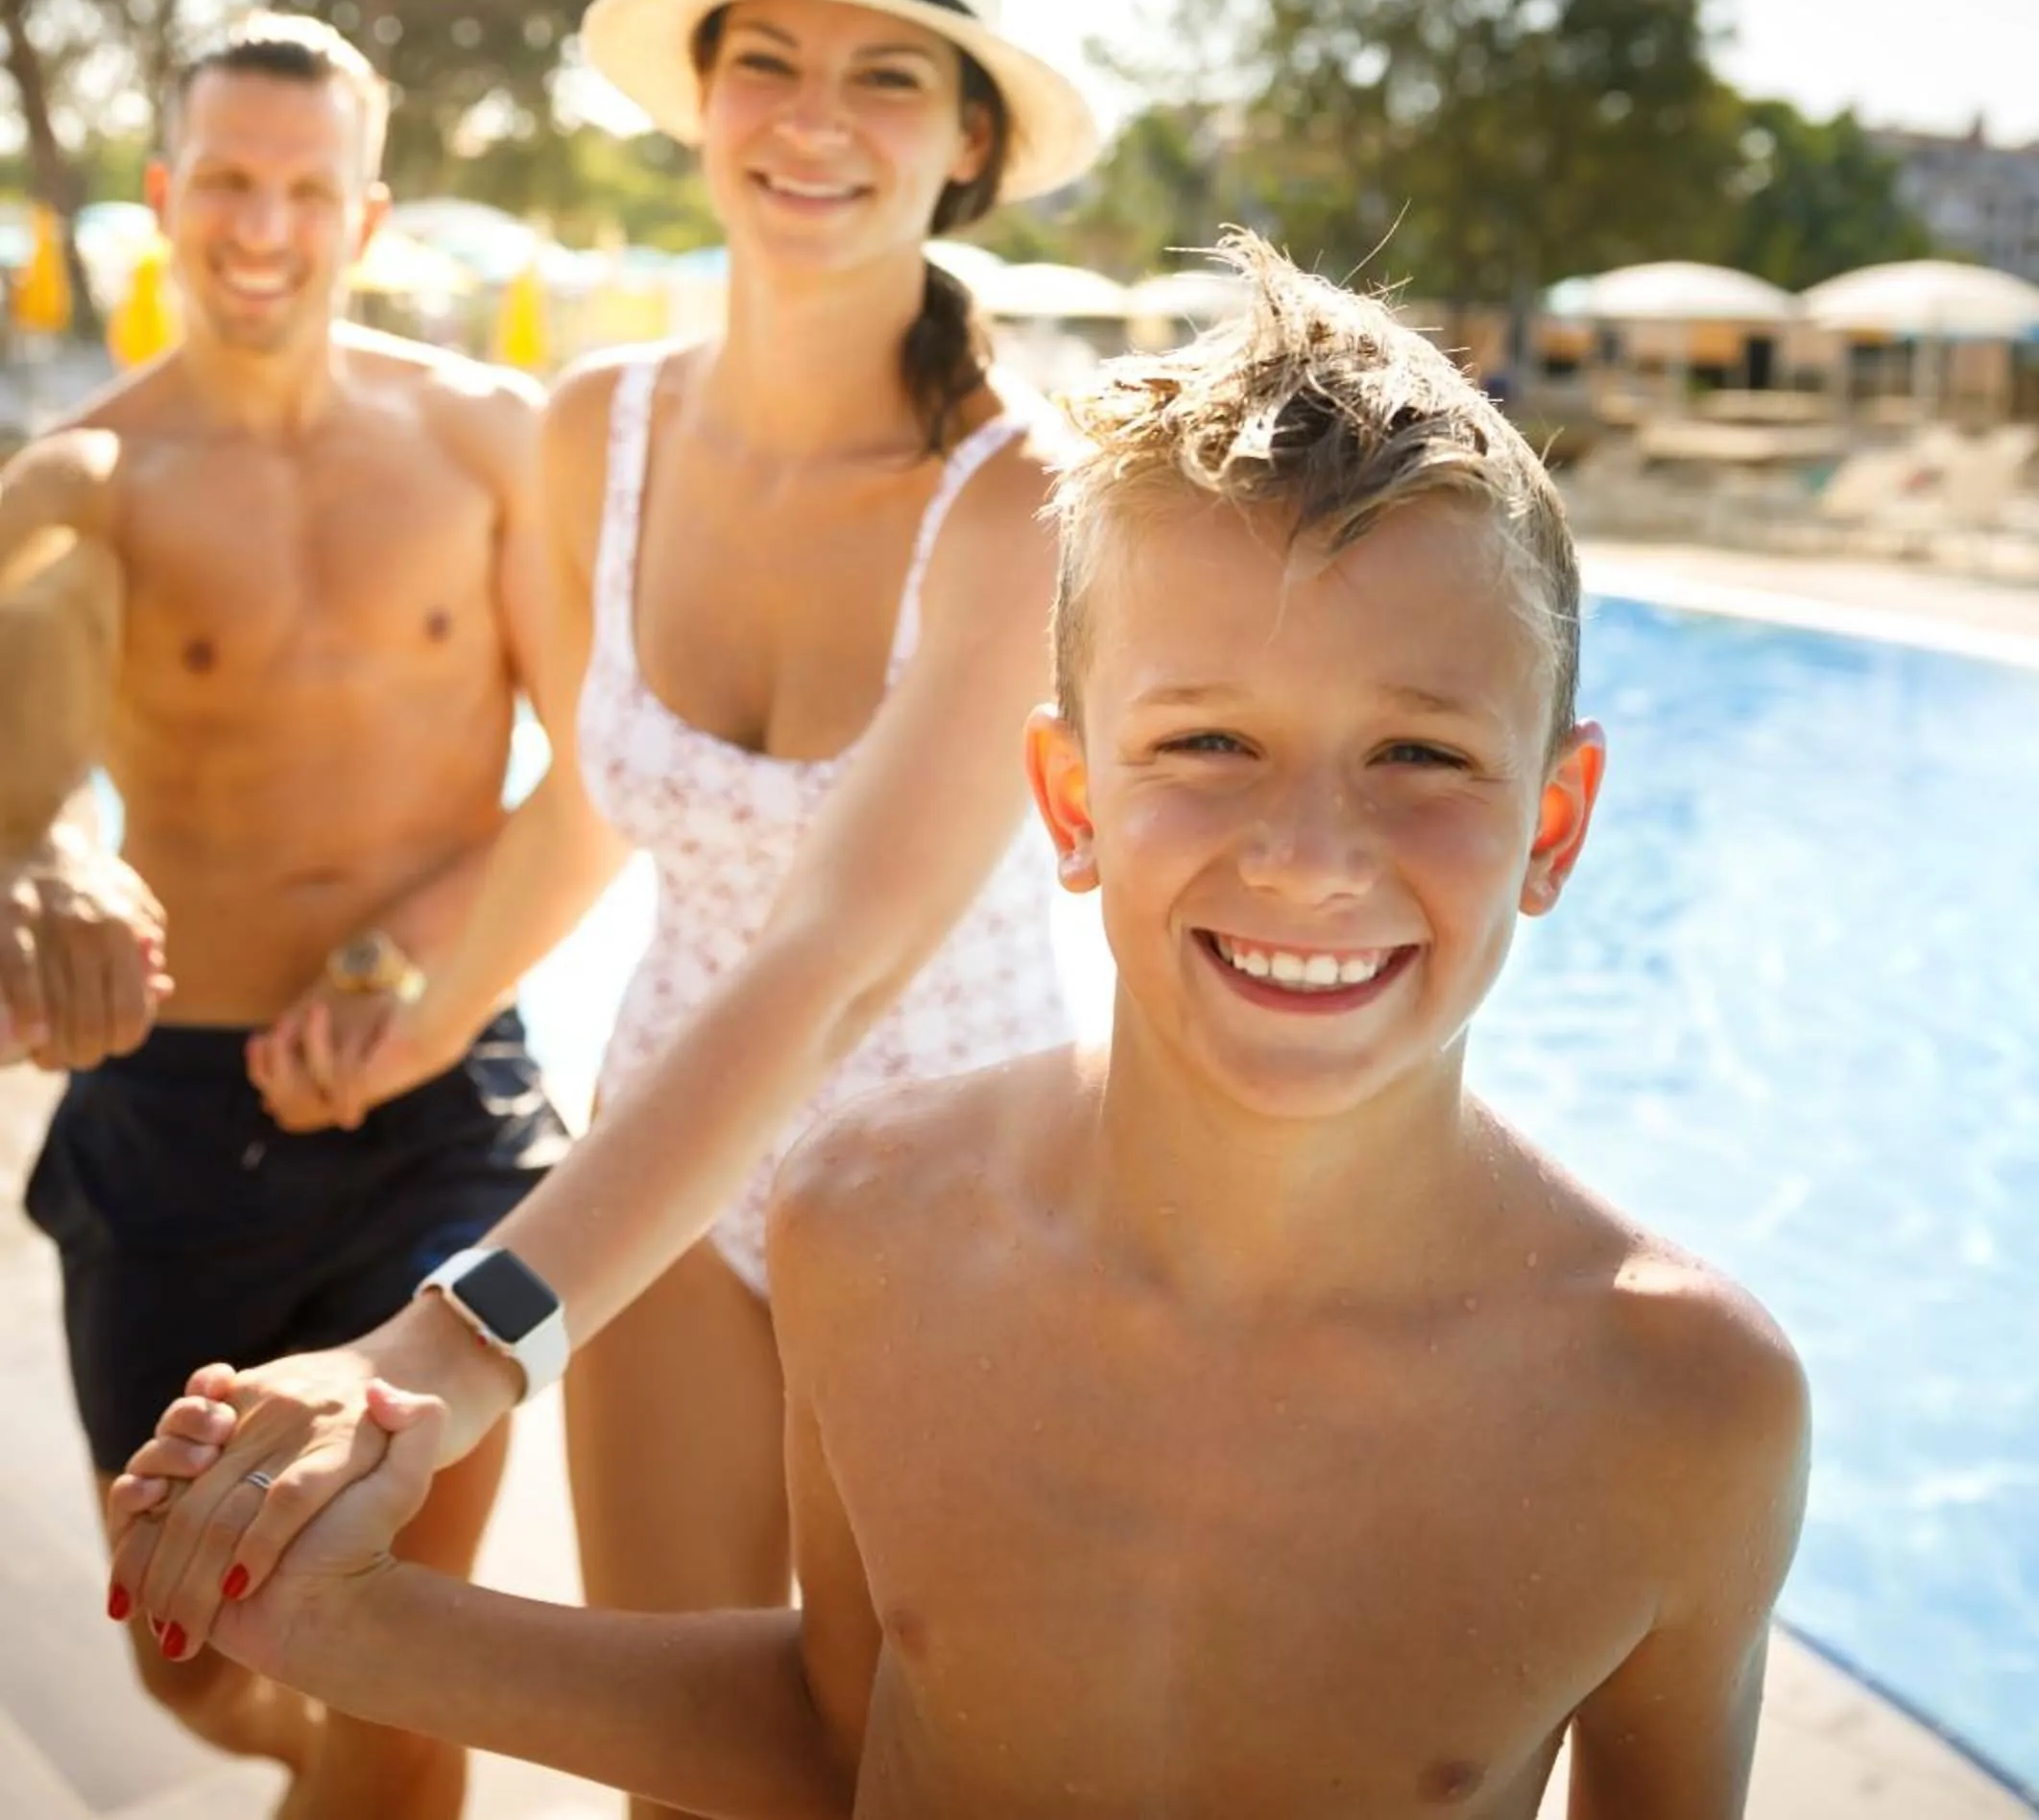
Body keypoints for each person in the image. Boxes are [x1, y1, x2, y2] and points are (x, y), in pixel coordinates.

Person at [127, 233, 1814, 1814]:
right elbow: (841, 1728)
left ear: (1558, 824)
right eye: (1208, 746)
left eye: (1424, 755)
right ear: (1069, 801)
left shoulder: (1676, 1409)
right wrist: (360, 1633)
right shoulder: (872, 1223)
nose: (1308, 857)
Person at [108, 0, 1103, 1817]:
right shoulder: (597, 434)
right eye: (770, 59)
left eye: (888, 72)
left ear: (968, 144)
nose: (815, 118)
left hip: (954, 1185)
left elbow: (841, 959)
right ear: (704, 99)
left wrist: (462, 1330)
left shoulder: (1022, 498)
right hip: (667, 1158)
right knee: (684, 1779)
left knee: (897, 1775)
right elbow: (593, 802)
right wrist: (398, 999)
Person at [0, 12, 573, 1820]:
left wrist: (402, 977)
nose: (263, 225)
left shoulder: (489, 439)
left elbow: (606, 778)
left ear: (371, 216)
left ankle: (373, 1759)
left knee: (392, 1652)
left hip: (449, 1104)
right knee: (194, 1655)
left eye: (305, 189)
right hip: (172, 1125)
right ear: (166, 198)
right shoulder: (83, 481)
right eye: (227, 183)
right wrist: (40, 859)